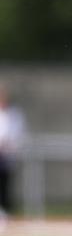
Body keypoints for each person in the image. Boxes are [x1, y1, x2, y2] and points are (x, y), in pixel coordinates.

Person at [0, 87, 27, 221]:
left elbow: (18, 133)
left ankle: (6, 212)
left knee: (5, 183)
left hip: (7, 154)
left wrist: (8, 145)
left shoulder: (14, 114)